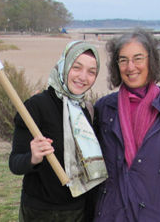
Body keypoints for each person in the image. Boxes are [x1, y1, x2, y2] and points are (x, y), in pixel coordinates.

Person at [93, 29, 160, 221]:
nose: (130, 67)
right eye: (123, 60)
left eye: (138, 58)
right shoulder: (104, 110)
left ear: (151, 61)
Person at [9, 41, 107, 222]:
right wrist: (33, 157)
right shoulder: (35, 107)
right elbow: (15, 164)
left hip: (79, 210)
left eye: (91, 72)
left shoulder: (86, 110)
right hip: (40, 212)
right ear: (64, 65)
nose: (83, 77)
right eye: (77, 67)